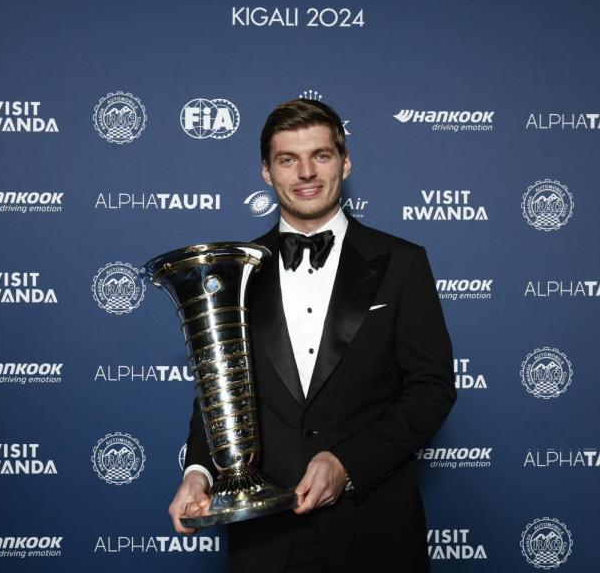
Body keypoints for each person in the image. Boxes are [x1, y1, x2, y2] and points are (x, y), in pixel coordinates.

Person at [169, 99, 456, 572]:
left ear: (345, 162)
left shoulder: (402, 264)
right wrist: (199, 474)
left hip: (374, 532)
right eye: (288, 159)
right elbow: (218, 392)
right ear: (266, 172)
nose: (306, 172)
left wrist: (347, 463)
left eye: (320, 155)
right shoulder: (233, 271)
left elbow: (432, 391)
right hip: (266, 540)